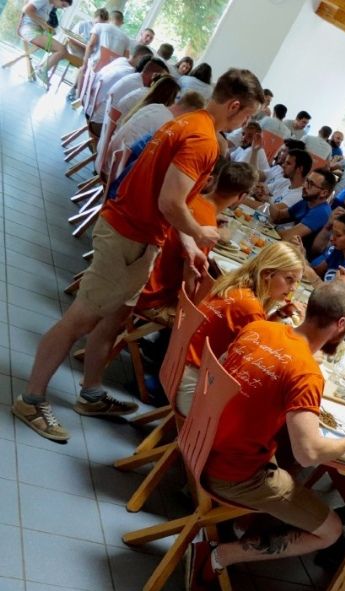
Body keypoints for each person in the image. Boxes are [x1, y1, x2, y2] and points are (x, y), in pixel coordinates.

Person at [13, 69, 263, 443]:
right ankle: (31, 400)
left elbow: (171, 196)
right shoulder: (203, 139)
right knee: (80, 319)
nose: (245, 124)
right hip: (128, 236)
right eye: (248, 116)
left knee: (114, 319)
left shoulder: (189, 121)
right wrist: (200, 232)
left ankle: (91, 393)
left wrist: (188, 243)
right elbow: (171, 202)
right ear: (235, 105)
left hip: (136, 235)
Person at [183, 282, 345, 591]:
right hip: (230, 473)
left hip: (199, 440)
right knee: (330, 530)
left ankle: (244, 524)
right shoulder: (306, 373)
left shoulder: (261, 327)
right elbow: (309, 454)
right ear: (341, 324)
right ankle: (221, 555)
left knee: (285, 450)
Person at [174, 242, 305, 415]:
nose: (293, 288)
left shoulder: (236, 285)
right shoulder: (250, 308)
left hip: (177, 369)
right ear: (267, 273)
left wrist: (279, 315)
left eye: (297, 282)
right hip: (192, 390)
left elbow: (254, 331)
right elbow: (262, 359)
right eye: (289, 279)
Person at [136, 160, 257, 322]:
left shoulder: (187, 199)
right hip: (151, 299)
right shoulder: (206, 229)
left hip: (137, 278)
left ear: (216, 179)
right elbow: (189, 277)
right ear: (241, 197)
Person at [107, 78, 190, 158]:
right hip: (118, 156)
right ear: (169, 97)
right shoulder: (160, 114)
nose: (176, 103)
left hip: (113, 147)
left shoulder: (148, 104)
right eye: (177, 98)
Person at [278, 166, 336, 258]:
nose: (304, 186)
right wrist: (267, 199)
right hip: (288, 251)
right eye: (306, 181)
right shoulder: (307, 201)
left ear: (324, 193)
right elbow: (278, 216)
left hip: (298, 259)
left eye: (311, 184)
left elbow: (288, 236)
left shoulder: (322, 212)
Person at [305, 209, 345, 283]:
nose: (331, 238)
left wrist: (303, 260)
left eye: (338, 235)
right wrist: (302, 255)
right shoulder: (339, 251)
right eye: (333, 232)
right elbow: (316, 271)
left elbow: (334, 290)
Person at [19, 0, 73, 85]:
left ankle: (41, 68)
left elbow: (40, 20)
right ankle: (41, 70)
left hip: (35, 30)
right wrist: (45, 25)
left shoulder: (50, 5)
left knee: (63, 52)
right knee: (62, 50)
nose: (62, 8)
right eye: (63, 5)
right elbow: (27, 10)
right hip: (29, 30)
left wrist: (48, 28)